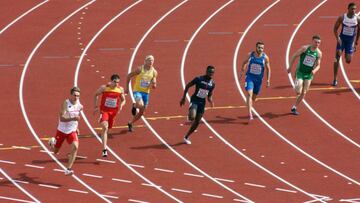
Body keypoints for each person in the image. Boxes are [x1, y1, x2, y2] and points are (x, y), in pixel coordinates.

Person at [48, 87, 83, 175]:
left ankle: (68, 169)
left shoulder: (80, 106)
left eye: (78, 96)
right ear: (71, 95)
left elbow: (77, 117)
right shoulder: (66, 103)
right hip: (62, 130)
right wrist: (73, 118)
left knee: (75, 147)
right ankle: (52, 143)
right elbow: (62, 118)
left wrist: (76, 127)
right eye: (74, 95)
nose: (76, 97)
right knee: (55, 151)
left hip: (72, 131)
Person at [180, 66, 215, 145]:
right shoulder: (199, 79)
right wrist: (183, 97)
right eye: (209, 72)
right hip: (195, 100)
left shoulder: (212, 84)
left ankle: (186, 136)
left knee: (197, 122)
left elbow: (209, 95)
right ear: (206, 71)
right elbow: (188, 85)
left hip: (202, 103)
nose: (211, 74)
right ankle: (190, 113)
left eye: (212, 72)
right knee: (192, 117)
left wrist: (211, 101)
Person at [288, 35, 323, 115]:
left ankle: (294, 107)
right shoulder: (305, 48)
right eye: (316, 42)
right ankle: (297, 80)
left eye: (319, 43)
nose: (317, 44)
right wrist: (290, 67)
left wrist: (315, 70)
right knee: (298, 91)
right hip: (300, 72)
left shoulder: (319, 53)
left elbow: (318, 65)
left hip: (309, 75)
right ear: (312, 41)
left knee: (304, 93)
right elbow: (294, 55)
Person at [94, 74, 125, 157]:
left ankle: (104, 135)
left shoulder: (120, 89)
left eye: (118, 82)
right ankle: (104, 150)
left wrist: (121, 105)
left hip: (113, 113)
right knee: (105, 127)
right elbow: (96, 94)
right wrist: (95, 106)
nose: (116, 84)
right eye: (115, 82)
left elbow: (123, 100)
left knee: (108, 129)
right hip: (104, 111)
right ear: (111, 81)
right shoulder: (104, 88)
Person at [125, 55, 158, 132]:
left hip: (146, 93)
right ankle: (136, 105)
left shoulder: (154, 72)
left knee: (142, 112)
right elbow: (128, 76)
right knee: (140, 105)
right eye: (149, 60)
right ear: (145, 61)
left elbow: (154, 83)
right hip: (137, 91)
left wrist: (154, 84)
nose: (151, 61)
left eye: (152, 60)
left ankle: (130, 123)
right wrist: (127, 88)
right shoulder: (140, 69)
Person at [239, 41, 271, 121]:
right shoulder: (250, 55)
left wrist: (268, 80)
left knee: (253, 97)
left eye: (262, 48)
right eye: (259, 47)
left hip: (258, 80)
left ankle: (250, 100)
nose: (260, 49)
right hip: (250, 77)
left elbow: (268, 69)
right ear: (256, 47)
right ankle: (250, 114)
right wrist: (242, 70)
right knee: (249, 94)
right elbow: (244, 62)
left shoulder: (265, 57)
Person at [332, 2, 359, 86]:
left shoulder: (357, 19)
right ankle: (335, 79)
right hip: (342, 40)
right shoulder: (342, 17)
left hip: (350, 41)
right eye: (352, 9)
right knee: (337, 57)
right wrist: (338, 38)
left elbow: (359, 30)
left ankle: (349, 52)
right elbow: (335, 29)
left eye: (355, 9)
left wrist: (356, 42)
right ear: (348, 9)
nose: (354, 10)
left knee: (348, 60)